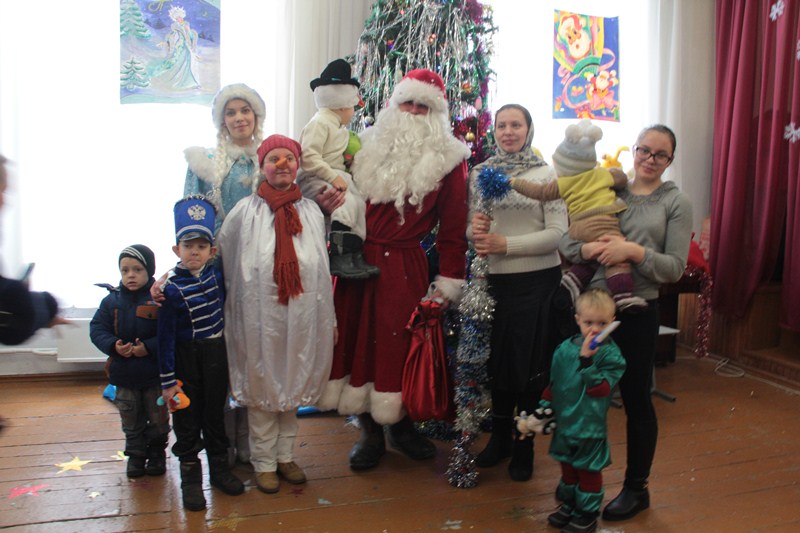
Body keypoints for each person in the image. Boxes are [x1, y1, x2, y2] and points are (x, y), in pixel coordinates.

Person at [317, 69, 470, 471]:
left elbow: (453, 231)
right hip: (356, 260)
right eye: (408, 103)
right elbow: (336, 193)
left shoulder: (451, 159)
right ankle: (368, 430)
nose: (414, 112)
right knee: (356, 341)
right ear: (394, 105)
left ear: (436, 113)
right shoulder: (362, 144)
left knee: (399, 345)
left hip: (404, 265)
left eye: (423, 106)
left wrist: (448, 281)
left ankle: (401, 426)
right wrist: (326, 206)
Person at [559, 124, 692, 521]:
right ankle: (577, 480)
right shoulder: (610, 187)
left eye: (660, 154)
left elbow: (675, 268)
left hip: (637, 311)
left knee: (636, 399)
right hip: (590, 313)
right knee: (581, 395)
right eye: (644, 150)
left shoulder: (676, 202)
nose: (650, 159)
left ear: (670, 160)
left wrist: (632, 252)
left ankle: (637, 488)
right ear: (633, 150)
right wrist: (587, 248)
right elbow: (567, 240)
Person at [217, 134, 334, 494]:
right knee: (263, 385)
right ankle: (264, 462)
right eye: (274, 159)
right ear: (262, 166)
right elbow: (225, 260)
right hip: (259, 317)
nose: (282, 165)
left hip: (301, 315)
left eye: (289, 158)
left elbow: (320, 266)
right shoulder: (244, 213)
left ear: (298, 165)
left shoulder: (311, 212)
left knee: (292, 383)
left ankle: (285, 456)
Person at [468, 104, 568, 481]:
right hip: (493, 284)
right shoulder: (480, 173)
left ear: (529, 129)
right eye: (502, 125)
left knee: (529, 369)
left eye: (516, 125)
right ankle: (500, 440)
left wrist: (506, 244)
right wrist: (476, 231)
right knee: (497, 365)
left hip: (537, 284)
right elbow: (470, 230)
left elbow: (557, 234)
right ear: (493, 130)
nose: (508, 131)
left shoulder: (546, 174)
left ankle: (524, 446)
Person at [183, 82, 267, 465]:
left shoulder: (269, 158)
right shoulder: (204, 163)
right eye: (231, 112)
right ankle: (223, 440)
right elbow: (191, 220)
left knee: (253, 350)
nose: (238, 118)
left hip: (258, 269)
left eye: (244, 110)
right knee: (220, 354)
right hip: (217, 273)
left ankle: (251, 437)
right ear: (222, 121)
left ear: (255, 115)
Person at [158, 195, 244, 511]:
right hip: (186, 361)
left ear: (212, 251)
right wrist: (168, 382)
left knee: (215, 416)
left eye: (201, 246)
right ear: (176, 250)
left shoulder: (217, 274)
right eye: (187, 246)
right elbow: (165, 339)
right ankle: (191, 482)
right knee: (186, 419)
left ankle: (219, 471)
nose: (194, 251)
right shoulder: (169, 289)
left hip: (216, 356)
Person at [510, 119, 646, 311]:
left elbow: (539, 192)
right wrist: (615, 173)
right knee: (616, 258)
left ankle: (571, 283)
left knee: (592, 258)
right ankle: (623, 297)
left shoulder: (563, 183)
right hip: (604, 223)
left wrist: (515, 182)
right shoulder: (601, 174)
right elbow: (622, 179)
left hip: (578, 227)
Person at [532, 288, 626, 533]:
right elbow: (554, 384)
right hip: (565, 424)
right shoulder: (564, 349)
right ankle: (571, 504)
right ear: (577, 320)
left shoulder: (611, 354)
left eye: (602, 324)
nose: (594, 329)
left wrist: (587, 361)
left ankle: (587, 512)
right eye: (588, 323)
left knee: (588, 470)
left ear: (612, 322)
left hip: (589, 427)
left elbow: (601, 390)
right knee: (568, 468)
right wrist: (542, 410)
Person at [89, 245, 170, 478]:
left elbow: (170, 331)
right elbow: (97, 329)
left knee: (158, 418)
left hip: (155, 375)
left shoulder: (160, 298)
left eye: (137, 269)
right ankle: (135, 455)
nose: (130, 275)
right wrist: (113, 346)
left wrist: (148, 347)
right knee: (130, 418)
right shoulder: (111, 301)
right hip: (124, 375)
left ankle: (156, 454)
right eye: (125, 270)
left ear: (150, 270)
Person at [297, 58, 379, 279]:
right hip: (315, 178)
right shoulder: (319, 123)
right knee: (345, 203)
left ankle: (353, 254)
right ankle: (339, 255)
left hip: (334, 176)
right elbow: (308, 158)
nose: (353, 112)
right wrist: (333, 177)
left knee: (358, 204)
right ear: (341, 105)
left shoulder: (338, 127)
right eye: (352, 107)